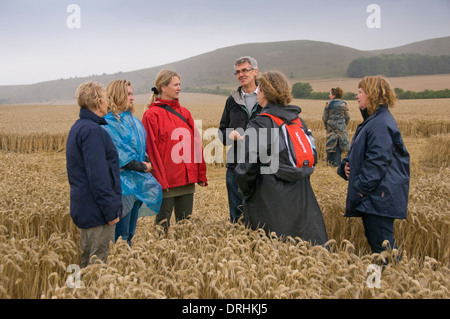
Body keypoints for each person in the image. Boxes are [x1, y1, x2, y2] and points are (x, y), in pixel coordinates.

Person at [234, 71, 328, 245]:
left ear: (264, 92)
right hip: (302, 197)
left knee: (271, 252)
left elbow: (246, 168)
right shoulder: (297, 121)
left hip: (268, 199)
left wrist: (246, 193)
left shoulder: (261, 123)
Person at [337, 76, 410, 258]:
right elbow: (360, 152)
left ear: (373, 94)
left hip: (378, 196)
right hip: (376, 195)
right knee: (377, 246)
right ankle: (377, 284)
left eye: (360, 92)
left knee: (382, 246)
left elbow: (378, 159)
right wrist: (346, 166)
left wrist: (362, 187)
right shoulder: (373, 121)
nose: (356, 96)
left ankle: (389, 282)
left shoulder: (380, 123)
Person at [142, 70, 207, 232]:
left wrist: (200, 173)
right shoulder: (151, 115)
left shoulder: (184, 113)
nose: (179, 88)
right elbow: (151, 150)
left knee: (185, 227)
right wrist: (161, 180)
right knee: (161, 227)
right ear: (163, 87)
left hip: (186, 179)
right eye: (175, 85)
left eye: (180, 84)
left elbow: (196, 144)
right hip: (166, 183)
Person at [66, 81, 122, 268]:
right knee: (97, 265)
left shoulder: (79, 127)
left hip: (85, 207)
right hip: (96, 211)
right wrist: (110, 211)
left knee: (88, 261)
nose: (108, 103)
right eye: (106, 99)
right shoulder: (92, 131)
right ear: (98, 102)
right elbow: (98, 176)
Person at [103, 80, 162, 246]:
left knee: (129, 232)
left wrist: (147, 160)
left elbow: (140, 146)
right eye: (128, 94)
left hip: (135, 182)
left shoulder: (130, 120)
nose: (132, 98)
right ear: (118, 95)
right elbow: (120, 154)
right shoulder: (109, 122)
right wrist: (144, 167)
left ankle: (125, 264)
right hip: (121, 185)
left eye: (132, 93)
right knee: (120, 234)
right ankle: (115, 267)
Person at [219, 56, 262, 223]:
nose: (241, 74)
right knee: (237, 215)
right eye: (237, 72)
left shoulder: (266, 98)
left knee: (260, 213)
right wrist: (229, 136)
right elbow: (222, 130)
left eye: (245, 70)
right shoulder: (232, 100)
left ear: (255, 72)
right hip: (235, 166)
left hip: (262, 167)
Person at [322, 87, 350, 167]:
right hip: (341, 128)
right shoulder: (344, 104)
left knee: (330, 146)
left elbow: (324, 117)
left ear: (334, 95)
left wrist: (326, 126)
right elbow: (347, 117)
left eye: (330, 94)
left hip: (331, 128)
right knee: (339, 146)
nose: (329, 95)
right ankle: (336, 164)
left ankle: (329, 163)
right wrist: (343, 125)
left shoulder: (328, 104)